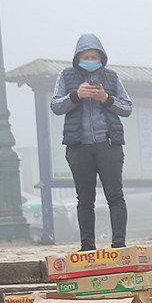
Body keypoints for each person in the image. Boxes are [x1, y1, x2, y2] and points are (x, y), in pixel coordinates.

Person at [49, 34, 133, 250]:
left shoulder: (112, 78)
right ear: (78, 57)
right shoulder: (66, 76)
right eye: (86, 56)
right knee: (84, 199)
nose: (90, 59)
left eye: (94, 56)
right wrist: (76, 95)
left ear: (101, 57)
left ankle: (119, 245)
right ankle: (87, 246)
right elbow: (56, 105)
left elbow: (127, 108)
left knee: (115, 195)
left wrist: (105, 99)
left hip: (109, 146)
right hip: (78, 147)